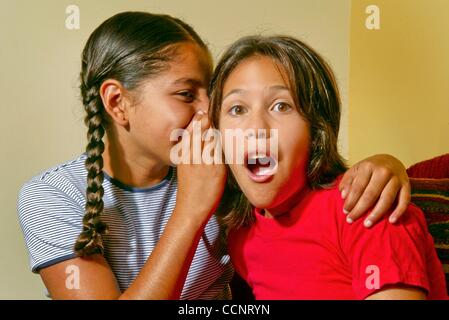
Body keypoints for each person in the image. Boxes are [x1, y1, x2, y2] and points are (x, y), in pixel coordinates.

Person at [18, 12, 410, 300]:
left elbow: (307, 180)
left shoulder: (232, 169)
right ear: (117, 103)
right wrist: (191, 208)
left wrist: (386, 165)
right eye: (187, 95)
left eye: (212, 94)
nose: (209, 112)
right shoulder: (50, 196)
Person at [209, 35, 448, 299]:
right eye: (237, 109)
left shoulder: (367, 206)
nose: (256, 128)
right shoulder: (241, 236)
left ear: (317, 129)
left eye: (281, 106)